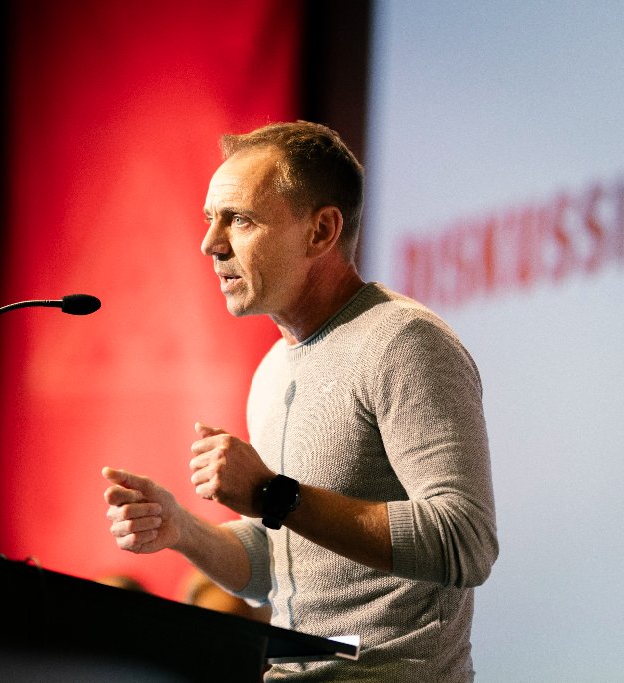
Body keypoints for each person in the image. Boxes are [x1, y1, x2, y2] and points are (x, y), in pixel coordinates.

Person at [102, 120, 499, 681]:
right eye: (210, 219)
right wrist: (182, 530)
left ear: (321, 231)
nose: (211, 243)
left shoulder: (403, 341)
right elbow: (281, 566)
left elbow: (465, 541)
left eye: (240, 219)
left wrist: (272, 493)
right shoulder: (272, 369)